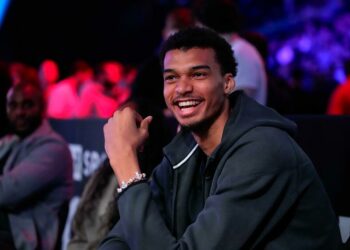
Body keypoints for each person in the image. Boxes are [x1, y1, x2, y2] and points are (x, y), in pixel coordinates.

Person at [99, 27, 342, 249]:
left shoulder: (263, 151)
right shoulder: (184, 148)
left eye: (198, 75)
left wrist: (126, 165)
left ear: (227, 84)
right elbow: (124, 236)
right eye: (171, 77)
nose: (182, 88)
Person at [67, 98, 173, 250]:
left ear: (146, 131)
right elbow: (79, 231)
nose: (117, 132)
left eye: (127, 125)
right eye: (114, 123)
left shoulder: (157, 181)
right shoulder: (103, 174)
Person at [0, 82, 73, 250]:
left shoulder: (54, 148)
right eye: (13, 105)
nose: (20, 112)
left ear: (42, 108)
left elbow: (5, 192)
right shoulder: (10, 141)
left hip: (27, 239)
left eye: (28, 105)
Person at [193, 0, 268, 105]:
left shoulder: (241, 53)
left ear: (211, 26)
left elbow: (238, 103)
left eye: (200, 28)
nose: (198, 35)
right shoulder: (231, 51)